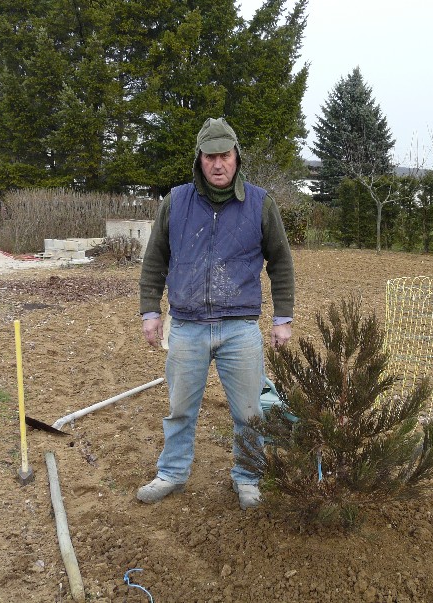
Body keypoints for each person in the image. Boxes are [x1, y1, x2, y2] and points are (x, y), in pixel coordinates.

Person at [137, 117, 294, 509]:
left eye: (225, 155)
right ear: (200, 159)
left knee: (249, 412)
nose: (218, 164)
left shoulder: (260, 203)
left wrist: (282, 318)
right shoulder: (177, 201)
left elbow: (281, 263)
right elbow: (155, 258)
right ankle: (171, 473)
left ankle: (247, 477)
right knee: (179, 409)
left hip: (239, 328)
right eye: (210, 157)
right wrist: (150, 311)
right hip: (187, 327)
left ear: (237, 157)